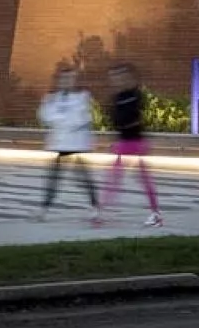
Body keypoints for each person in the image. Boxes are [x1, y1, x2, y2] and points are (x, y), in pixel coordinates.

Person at [101, 62, 163, 226]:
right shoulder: (117, 98)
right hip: (124, 142)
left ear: (128, 77)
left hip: (136, 142)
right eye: (114, 77)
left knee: (143, 179)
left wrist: (123, 125)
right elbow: (116, 120)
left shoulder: (135, 95)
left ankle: (155, 214)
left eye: (120, 75)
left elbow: (132, 118)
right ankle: (101, 212)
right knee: (114, 177)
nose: (117, 79)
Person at [37, 62, 101, 216]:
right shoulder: (52, 98)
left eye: (70, 79)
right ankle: (44, 208)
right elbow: (45, 116)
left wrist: (61, 119)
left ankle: (95, 208)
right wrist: (63, 119)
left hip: (76, 145)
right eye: (64, 79)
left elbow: (82, 119)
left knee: (83, 178)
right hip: (61, 143)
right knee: (54, 178)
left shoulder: (82, 97)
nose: (67, 82)